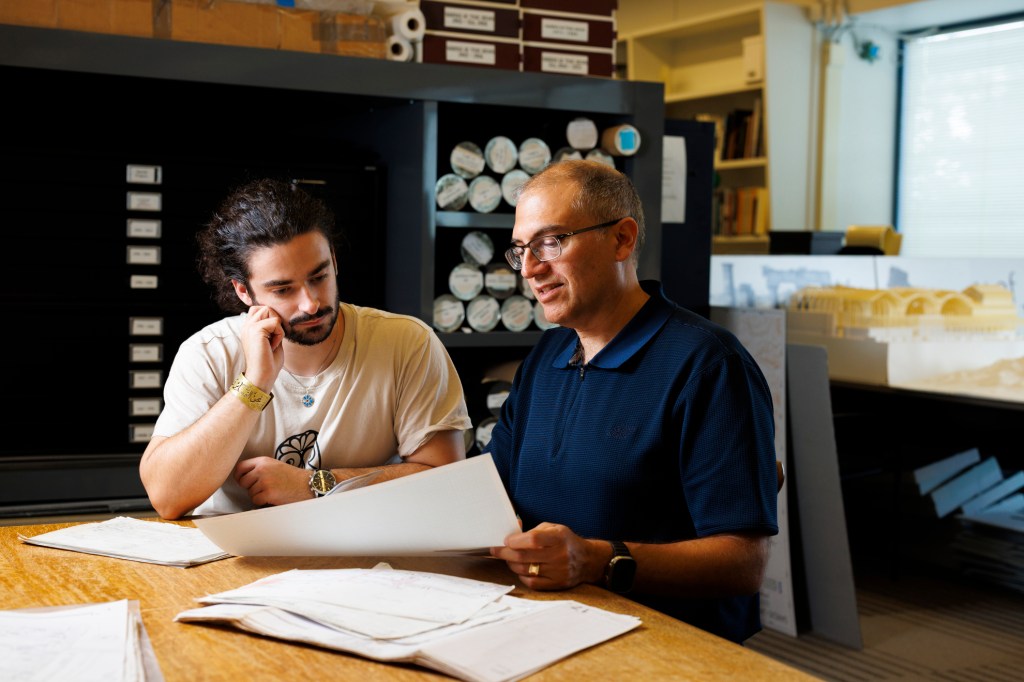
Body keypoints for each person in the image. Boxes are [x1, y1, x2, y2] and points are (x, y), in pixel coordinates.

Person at [485, 159, 778, 643]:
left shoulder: (709, 364)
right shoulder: (546, 355)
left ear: (622, 239)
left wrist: (597, 560)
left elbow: (743, 564)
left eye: (551, 241)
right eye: (521, 250)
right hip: (545, 624)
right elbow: (495, 488)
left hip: (663, 644)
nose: (532, 269)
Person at [140, 178, 471, 519]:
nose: (311, 304)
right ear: (243, 292)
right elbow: (167, 498)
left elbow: (445, 481)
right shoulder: (208, 353)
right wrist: (253, 386)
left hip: (363, 555)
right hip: (228, 562)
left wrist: (317, 485)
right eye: (283, 290)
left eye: (319, 277)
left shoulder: (408, 343)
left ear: (334, 262)